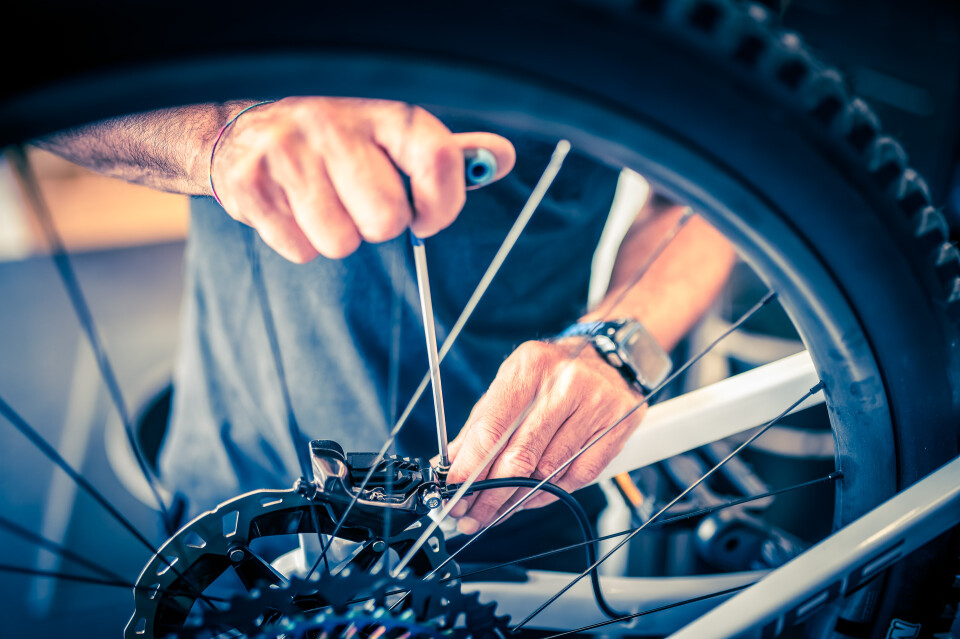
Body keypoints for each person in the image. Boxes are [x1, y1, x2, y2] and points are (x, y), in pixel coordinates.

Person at [36, 96, 736, 568]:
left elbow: (726, 180)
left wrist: (617, 340)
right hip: (232, 494)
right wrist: (215, 137)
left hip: (506, 513)